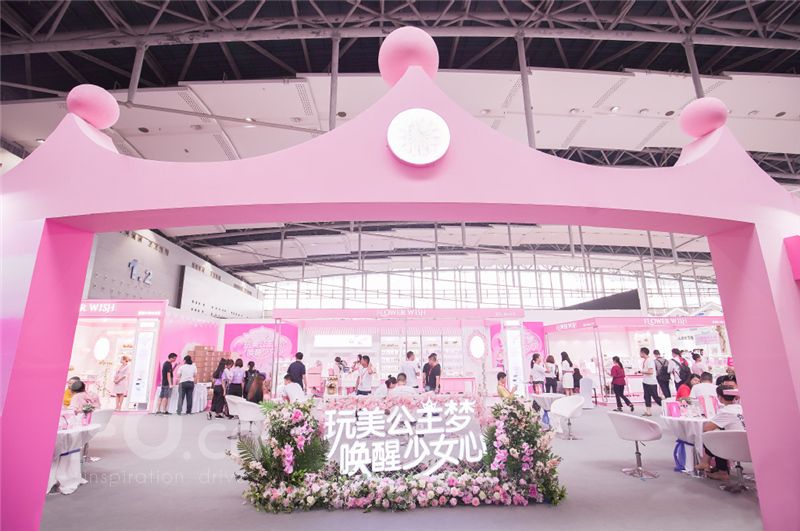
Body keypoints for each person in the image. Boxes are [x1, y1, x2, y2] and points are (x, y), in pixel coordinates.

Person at [699, 383, 745, 481]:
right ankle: (706, 463)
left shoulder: (726, 411)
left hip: (736, 447)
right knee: (719, 434)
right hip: (747, 444)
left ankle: (721, 472)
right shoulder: (740, 408)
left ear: (719, 397)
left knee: (713, 437)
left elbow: (707, 428)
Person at [640, 348, 661, 416]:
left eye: (640, 352)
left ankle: (667, 407)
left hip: (651, 382)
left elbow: (650, 372)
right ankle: (648, 411)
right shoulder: (645, 360)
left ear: (643, 353)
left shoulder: (650, 360)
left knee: (656, 397)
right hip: (645, 381)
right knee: (646, 397)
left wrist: (642, 371)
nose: (639, 354)